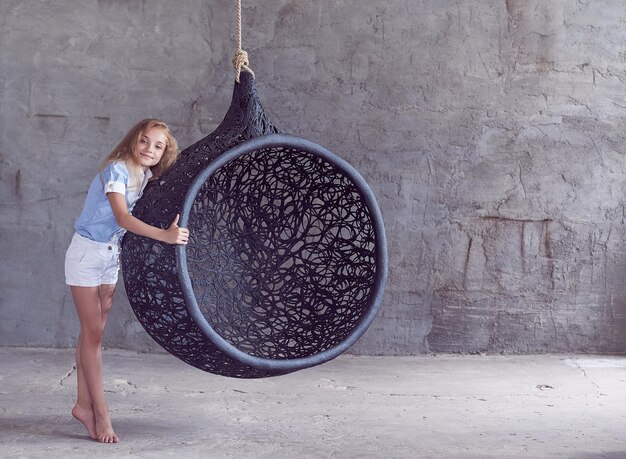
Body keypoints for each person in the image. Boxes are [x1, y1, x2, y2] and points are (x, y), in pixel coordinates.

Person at [64, 119, 189, 443]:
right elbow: (122, 217)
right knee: (93, 337)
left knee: (92, 334)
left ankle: (82, 405)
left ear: (164, 152)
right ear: (134, 140)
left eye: (158, 146)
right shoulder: (117, 170)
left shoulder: (145, 175)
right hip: (87, 255)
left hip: (110, 257)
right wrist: (164, 236)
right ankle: (101, 414)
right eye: (145, 141)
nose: (149, 149)